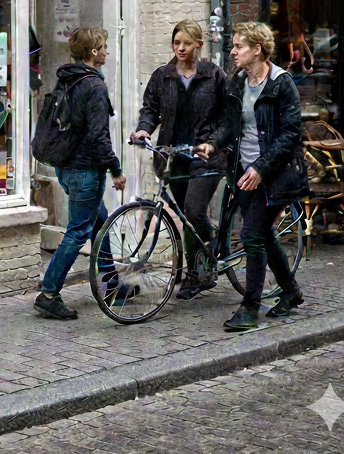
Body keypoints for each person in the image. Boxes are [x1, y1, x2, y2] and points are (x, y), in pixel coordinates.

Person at [196, 22, 309, 331]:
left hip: (274, 176)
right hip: (243, 174)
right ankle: (291, 291)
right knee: (262, 235)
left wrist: (260, 168)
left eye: (239, 46)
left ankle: (250, 307)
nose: (233, 51)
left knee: (251, 235)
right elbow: (229, 125)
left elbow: (290, 134)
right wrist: (212, 144)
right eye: (233, 46)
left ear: (257, 49)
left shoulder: (281, 83)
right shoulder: (238, 82)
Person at [35, 27, 127, 320]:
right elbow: (99, 136)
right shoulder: (94, 86)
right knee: (78, 232)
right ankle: (49, 294)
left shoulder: (68, 79)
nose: (107, 51)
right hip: (85, 170)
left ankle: (110, 284)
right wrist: (115, 169)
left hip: (66, 167)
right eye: (104, 47)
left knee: (100, 222)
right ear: (94, 52)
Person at [131, 19, 227, 300]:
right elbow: (150, 109)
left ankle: (201, 272)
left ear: (199, 45)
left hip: (205, 157)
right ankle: (196, 268)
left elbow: (227, 118)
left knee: (194, 211)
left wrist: (213, 143)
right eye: (176, 43)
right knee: (187, 215)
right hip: (173, 157)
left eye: (187, 43)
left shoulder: (214, 75)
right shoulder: (163, 76)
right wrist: (144, 129)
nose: (181, 48)